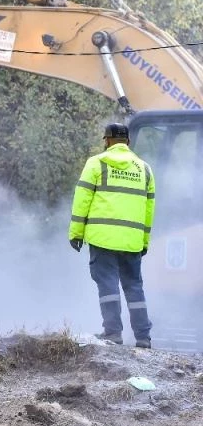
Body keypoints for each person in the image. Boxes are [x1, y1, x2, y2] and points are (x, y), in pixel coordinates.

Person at [68, 122, 155, 349]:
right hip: (132, 241)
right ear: (128, 142)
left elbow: (82, 200)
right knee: (134, 287)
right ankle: (143, 337)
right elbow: (149, 211)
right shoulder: (145, 169)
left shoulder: (96, 163)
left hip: (102, 238)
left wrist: (76, 233)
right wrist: (144, 242)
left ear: (107, 141)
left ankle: (113, 333)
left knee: (108, 286)